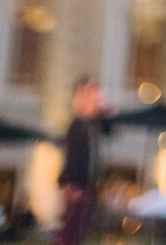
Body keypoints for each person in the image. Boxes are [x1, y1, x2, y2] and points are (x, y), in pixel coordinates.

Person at [55, 79, 111, 245]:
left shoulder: (92, 124)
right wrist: (72, 183)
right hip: (78, 184)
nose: (97, 99)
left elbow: (109, 128)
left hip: (88, 183)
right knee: (73, 227)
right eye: (93, 96)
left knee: (81, 227)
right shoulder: (78, 124)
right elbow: (72, 156)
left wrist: (103, 109)